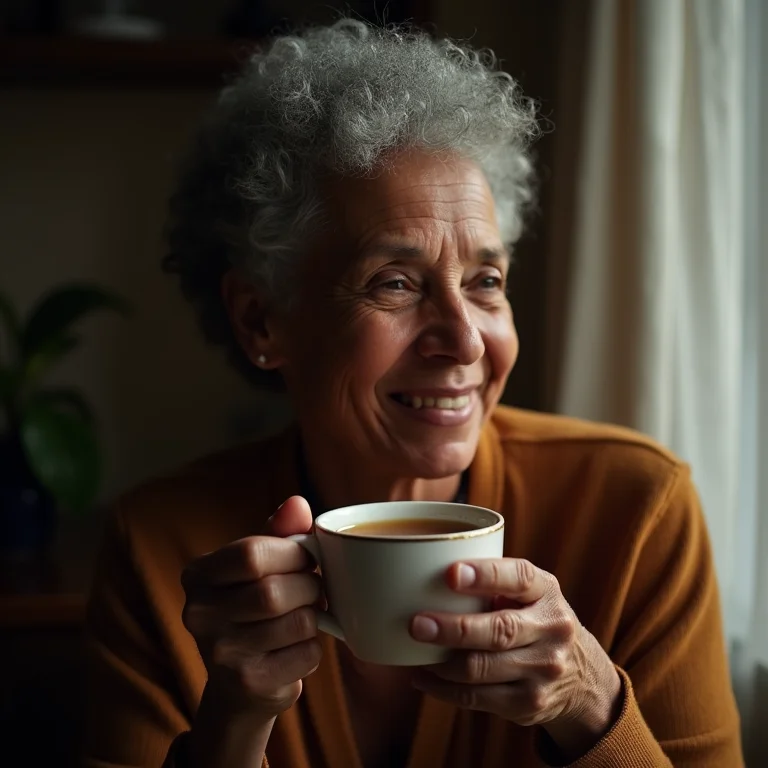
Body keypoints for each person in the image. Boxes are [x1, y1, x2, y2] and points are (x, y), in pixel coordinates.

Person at [83, 19, 743, 768]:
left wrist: (588, 702)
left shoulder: (636, 508)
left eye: (485, 283)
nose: (464, 341)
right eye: (394, 284)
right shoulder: (160, 545)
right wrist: (234, 722)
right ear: (262, 318)